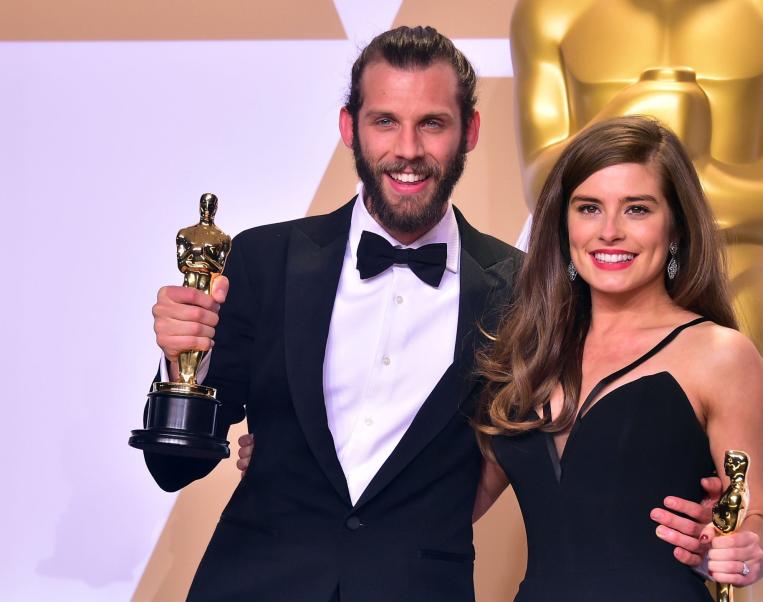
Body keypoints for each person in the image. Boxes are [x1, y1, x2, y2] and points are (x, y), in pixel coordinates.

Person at [146, 27, 717, 601]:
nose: (409, 150)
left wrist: (710, 513)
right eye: (385, 121)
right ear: (350, 128)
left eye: (433, 123)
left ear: (468, 131)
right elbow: (175, 468)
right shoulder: (264, 259)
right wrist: (181, 367)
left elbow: (594, 427)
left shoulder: (528, 290)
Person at [472, 115, 763, 600]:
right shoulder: (526, 353)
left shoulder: (721, 356)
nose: (609, 231)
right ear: (563, 223)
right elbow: (454, 503)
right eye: (589, 208)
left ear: (675, 227)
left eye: (637, 209)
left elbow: (758, 517)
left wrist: (741, 546)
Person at [510, 0, 763, 368]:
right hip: (586, 290)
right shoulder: (548, 11)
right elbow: (541, 184)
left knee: (725, 397)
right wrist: (634, 110)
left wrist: (676, 180)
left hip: (729, 279)